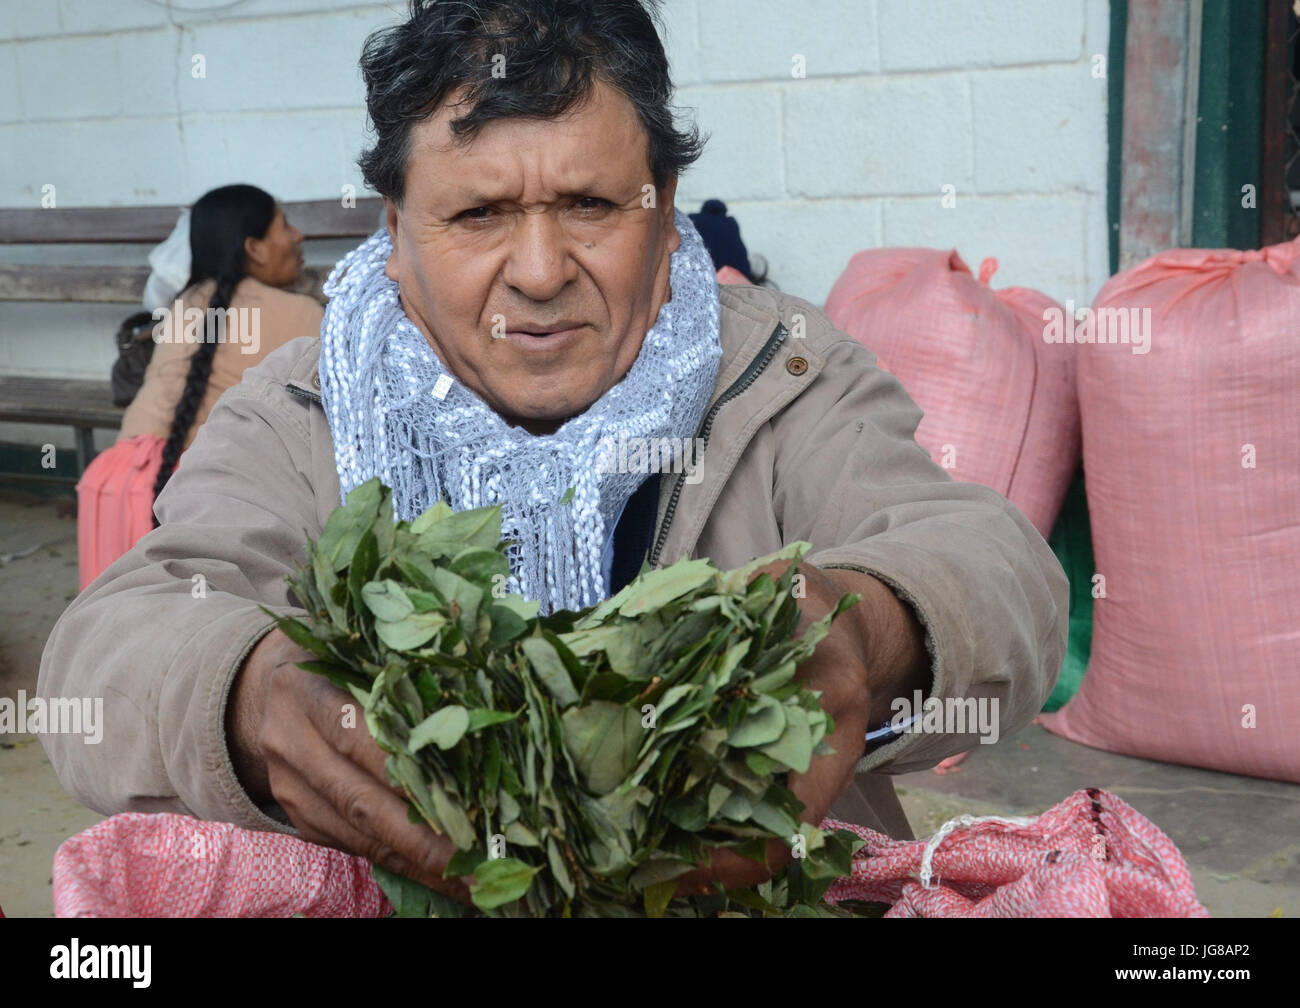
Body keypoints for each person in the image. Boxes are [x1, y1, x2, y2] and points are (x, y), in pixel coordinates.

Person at [40, 0, 1067, 909]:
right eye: (478, 214)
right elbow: (107, 653)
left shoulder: (779, 369)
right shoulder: (303, 409)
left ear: (662, 211)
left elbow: (997, 566)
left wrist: (868, 627)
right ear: (397, 233)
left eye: (588, 205)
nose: (538, 273)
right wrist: (249, 695)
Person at [74, 185, 323, 589]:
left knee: (123, 632)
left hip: (115, 485)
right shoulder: (303, 315)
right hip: (203, 495)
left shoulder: (183, 303)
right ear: (254, 248)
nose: (297, 237)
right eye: (285, 225)